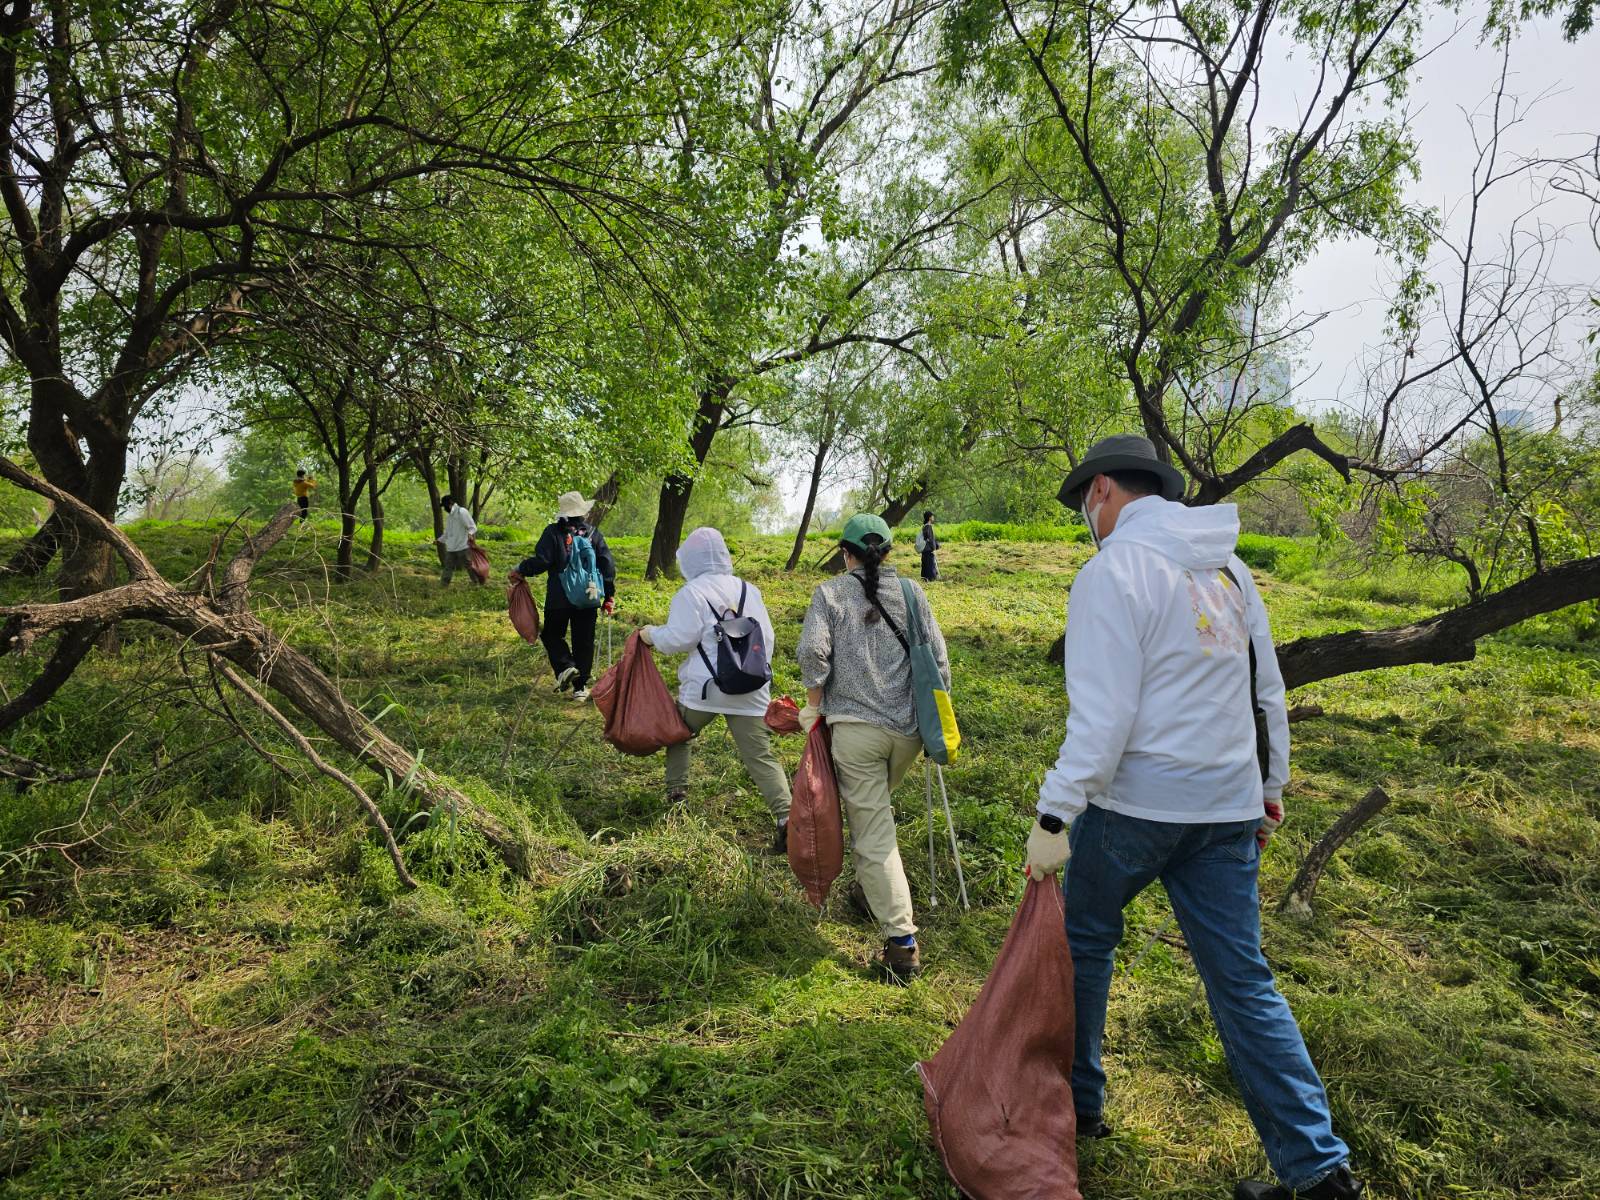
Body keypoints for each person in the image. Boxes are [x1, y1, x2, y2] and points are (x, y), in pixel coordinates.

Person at [1024, 434, 1359, 1200]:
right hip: (1225, 806)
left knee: (1084, 943)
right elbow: (1265, 689)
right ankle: (1320, 1175)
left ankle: (1077, 1108)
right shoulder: (1231, 568)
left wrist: (1054, 816)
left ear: (1102, 490)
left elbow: (1103, 719)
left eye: (1085, 503)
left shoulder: (1112, 573)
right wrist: (1269, 787)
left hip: (1134, 806)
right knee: (1244, 983)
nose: (1087, 516)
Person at [797, 512, 950, 984]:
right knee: (876, 815)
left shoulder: (829, 594)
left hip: (856, 734)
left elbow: (811, 653)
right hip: (908, 734)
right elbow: (940, 661)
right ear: (887, 551)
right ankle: (873, 891)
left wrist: (813, 703)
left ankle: (902, 944)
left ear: (846, 553)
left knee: (873, 834)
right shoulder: (912, 592)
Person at [638, 527, 791, 851]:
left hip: (706, 690)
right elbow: (768, 638)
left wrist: (650, 634)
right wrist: (752, 672)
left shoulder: (691, 593)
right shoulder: (750, 590)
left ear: (689, 560)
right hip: (750, 688)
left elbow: (679, 638)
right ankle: (787, 820)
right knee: (760, 756)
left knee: (678, 733)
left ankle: (677, 799)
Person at [508, 490, 616, 702]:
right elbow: (607, 564)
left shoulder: (553, 533)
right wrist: (609, 595)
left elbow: (542, 561)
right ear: (582, 512)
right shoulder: (594, 534)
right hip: (588, 596)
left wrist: (521, 568)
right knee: (583, 641)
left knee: (551, 635)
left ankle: (565, 666)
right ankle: (580, 688)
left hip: (559, 598)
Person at [437, 494, 481, 586]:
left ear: (450, 504)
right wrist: (439, 540)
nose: (444, 509)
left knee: (469, 566)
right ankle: (444, 584)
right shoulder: (450, 517)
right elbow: (447, 533)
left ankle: (476, 583)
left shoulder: (461, 512)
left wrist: (470, 533)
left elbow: (472, 527)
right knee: (448, 566)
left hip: (463, 545)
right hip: (452, 547)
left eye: (445, 506)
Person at [916, 509, 939, 581]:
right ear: (929, 517)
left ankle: (925, 578)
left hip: (925, 549)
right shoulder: (929, 526)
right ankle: (931, 579)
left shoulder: (925, 526)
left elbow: (927, 538)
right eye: (932, 516)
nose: (933, 517)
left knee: (925, 563)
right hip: (929, 549)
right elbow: (931, 539)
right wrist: (934, 549)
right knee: (930, 564)